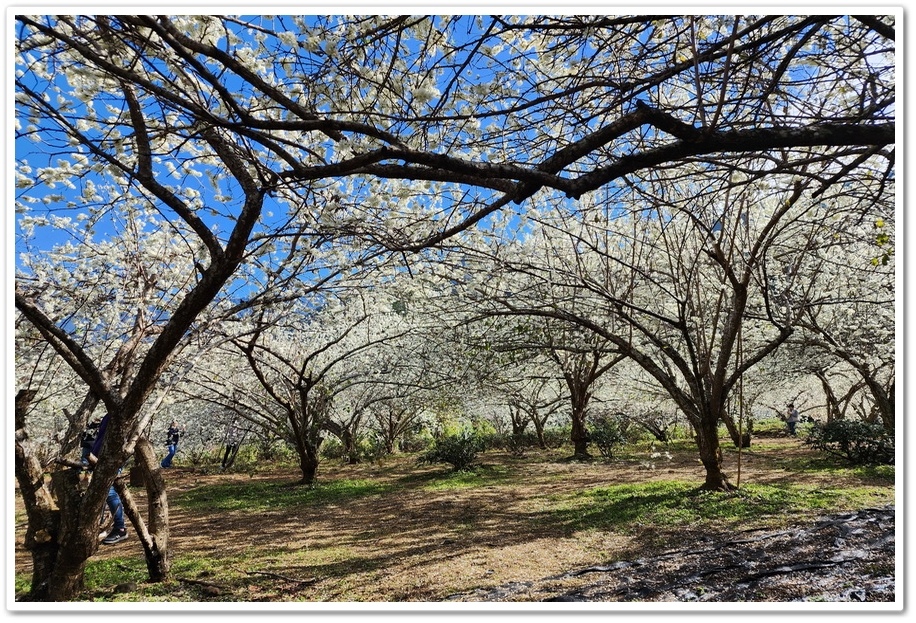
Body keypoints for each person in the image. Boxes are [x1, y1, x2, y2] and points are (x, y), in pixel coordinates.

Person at [87, 413, 129, 545]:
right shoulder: (110, 413)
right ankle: (98, 526)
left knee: (109, 492)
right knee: (101, 492)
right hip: (100, 458)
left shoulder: (121, 413)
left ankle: (120, 528)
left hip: (111, 459)